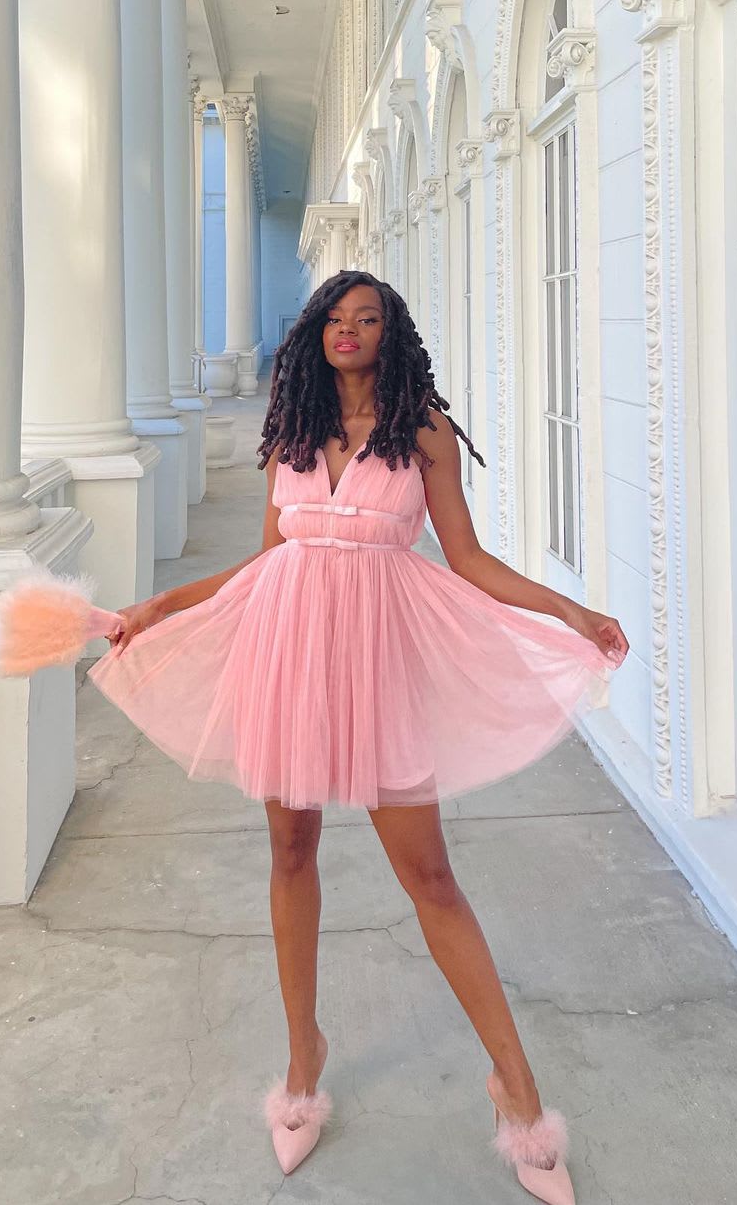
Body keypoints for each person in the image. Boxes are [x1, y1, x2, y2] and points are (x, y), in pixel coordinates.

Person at [88, 269, 628, 1204]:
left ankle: (519, 1091)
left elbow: (466, 558)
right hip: (287, 660)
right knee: (291, 851)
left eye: (367, 319)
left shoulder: (421, 433)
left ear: (390, 333)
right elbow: (265, 565)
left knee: (430, 876)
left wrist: (569, 610)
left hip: (379, 667)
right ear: (316, 333)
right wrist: (158, 607)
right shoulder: (289, 432)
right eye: (336, 318)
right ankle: (304, 1060)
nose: (349, 330)